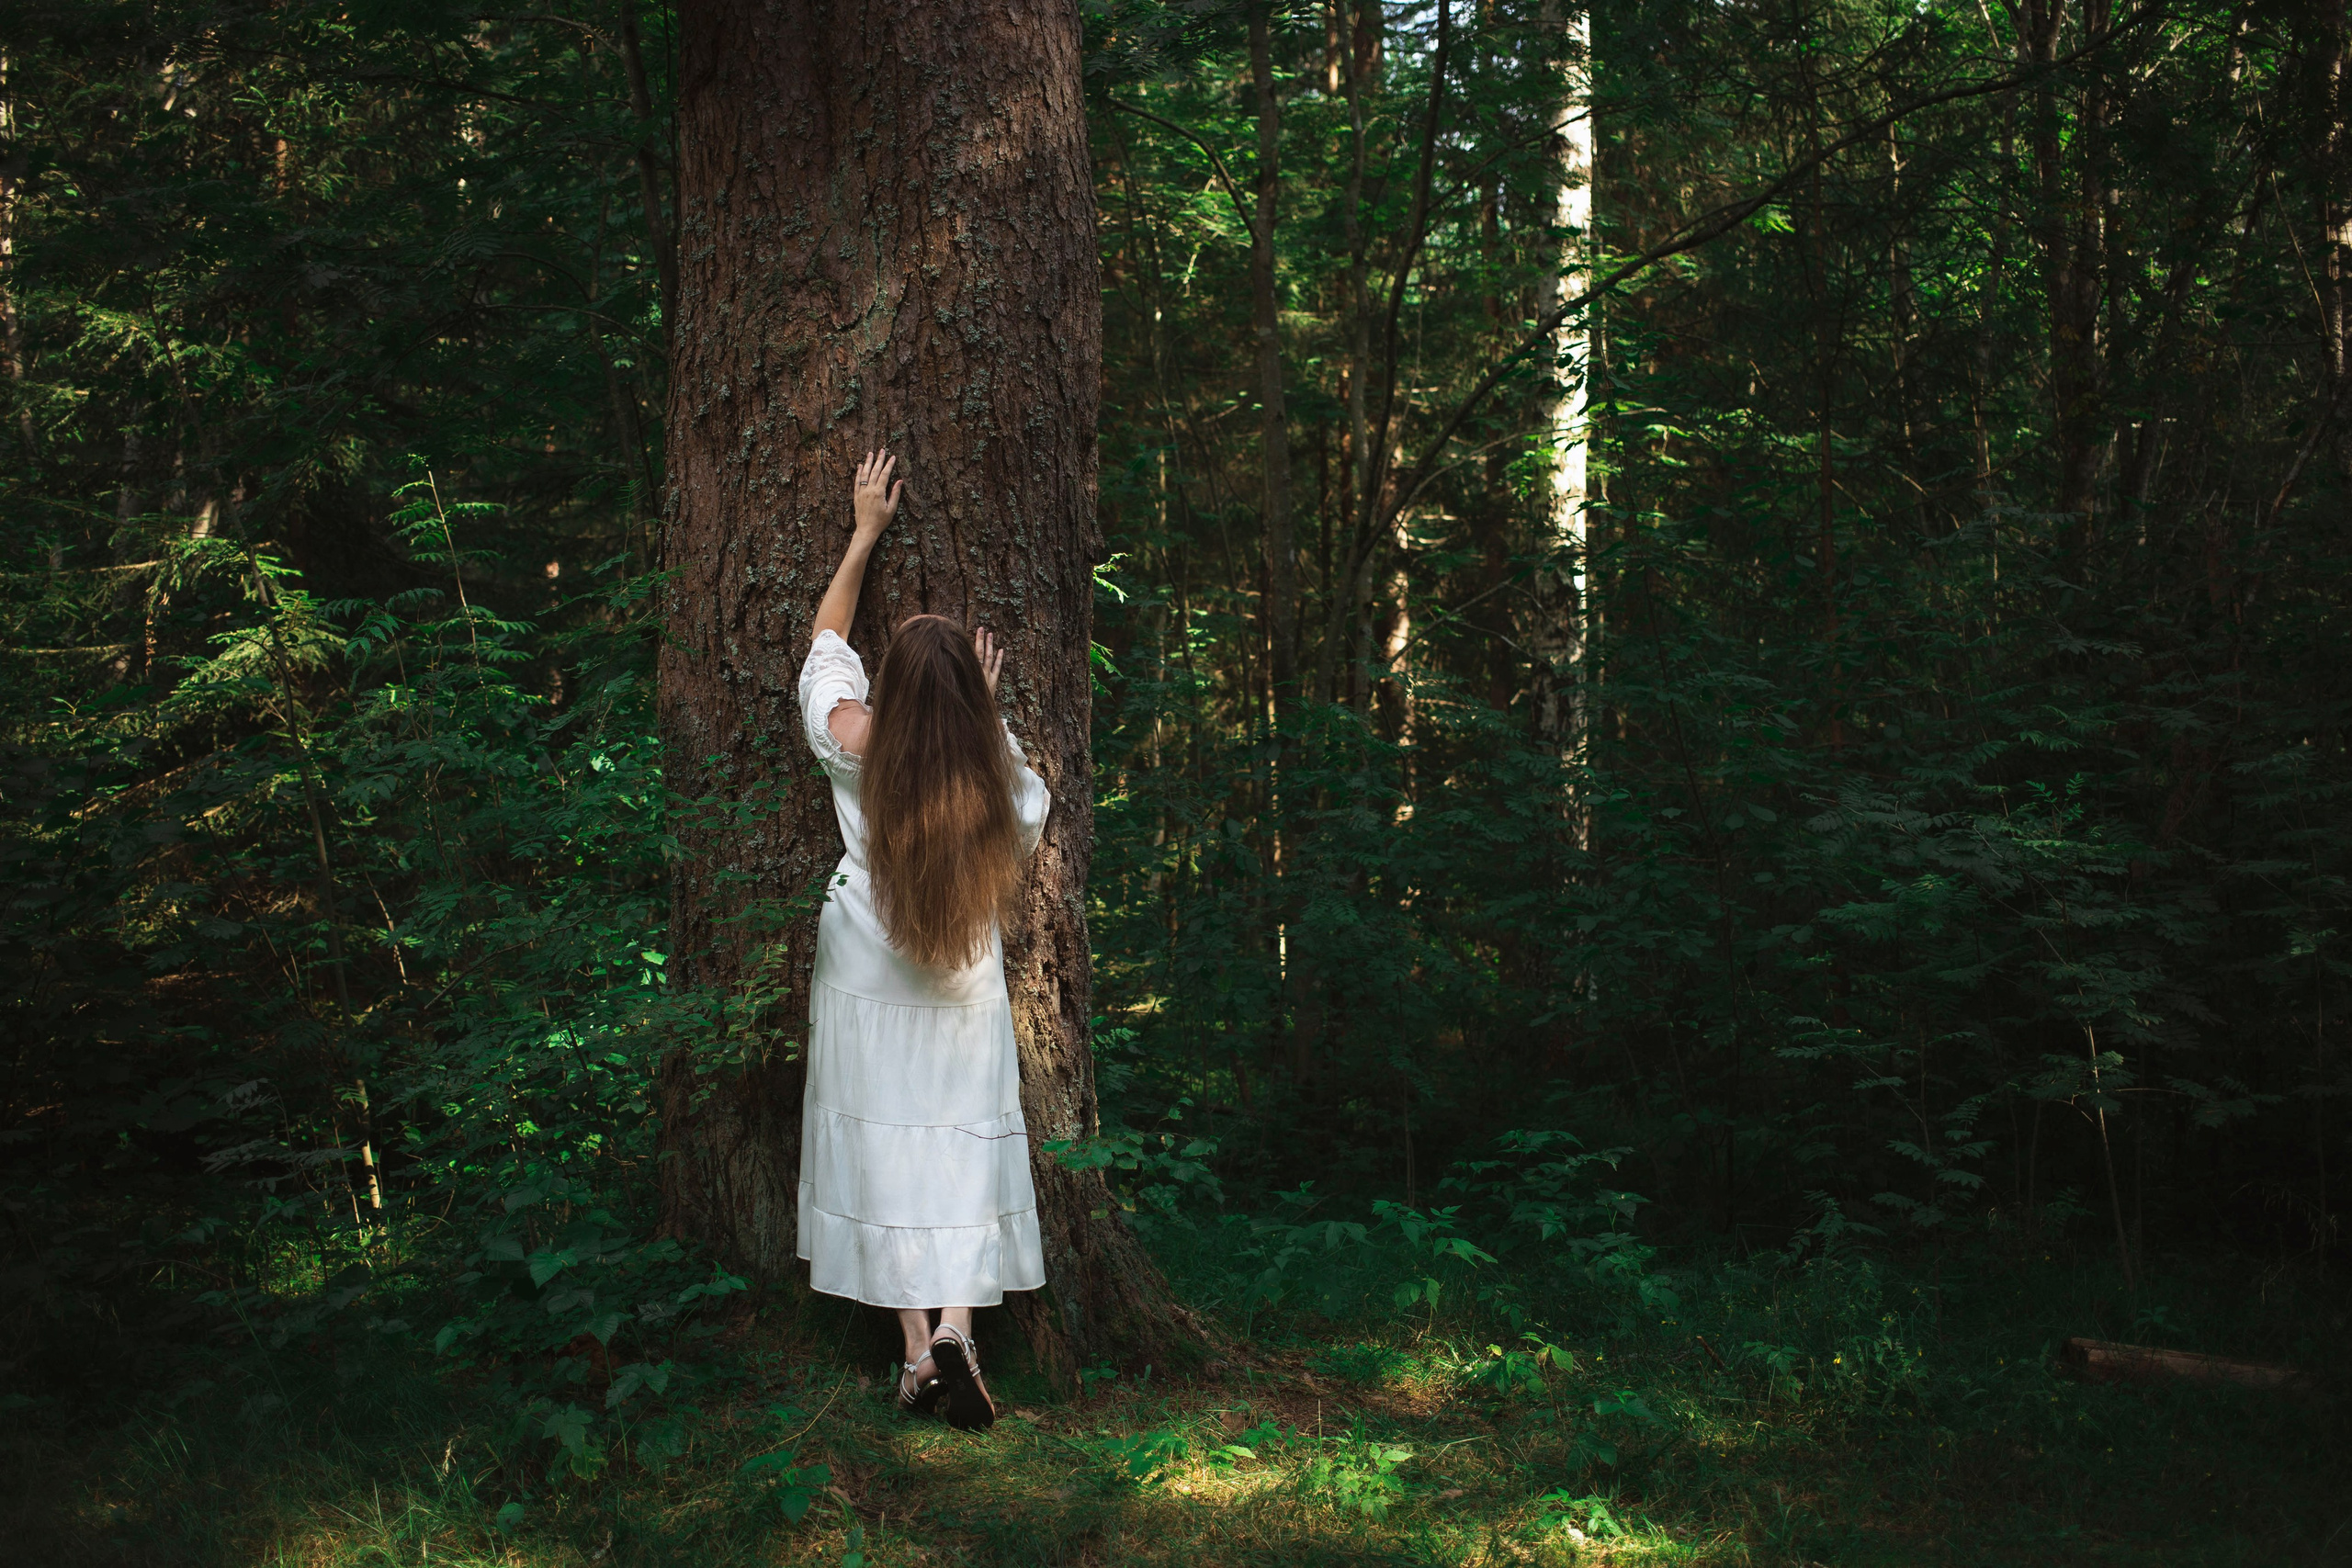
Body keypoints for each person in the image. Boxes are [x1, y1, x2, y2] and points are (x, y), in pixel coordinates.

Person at [794, 450, 1051, 1430]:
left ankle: (914, 1355)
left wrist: (864, 532)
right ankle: (956, 1329)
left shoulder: (852, 740)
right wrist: (983, 714)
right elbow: (1027, 806)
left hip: (864, 963)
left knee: (879, 1148)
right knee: (958, 1150)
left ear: (893, 687)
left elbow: (824, 645)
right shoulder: (996, 780)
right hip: (960, 978)